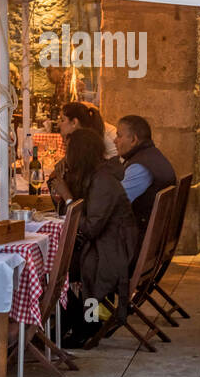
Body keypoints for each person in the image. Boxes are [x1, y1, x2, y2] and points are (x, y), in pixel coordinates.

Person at [50, 128, 139, 346]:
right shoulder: (95, 176)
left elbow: (90, 227)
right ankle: (67, 327)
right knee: (60, 264)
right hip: (107, 243)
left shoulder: (103, 180)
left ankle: (81, 326)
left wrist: (68, 197)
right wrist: (61, 189)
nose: (66, 157)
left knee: (59, 268)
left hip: (111, 250)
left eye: (68, 151)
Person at [113, 115, 177, 236]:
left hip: (138, 236)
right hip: (152, 232)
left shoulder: (140, 167)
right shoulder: (152, 154)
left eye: (119, 136)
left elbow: (116, 203)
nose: (114, 141)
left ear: (133, 140)